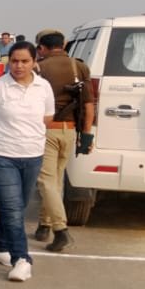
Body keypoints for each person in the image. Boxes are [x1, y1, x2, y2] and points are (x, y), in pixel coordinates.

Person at [0, 41, 56, 282]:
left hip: (32, 156)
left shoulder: (43, 87)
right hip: (0, 157)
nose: (19, 66)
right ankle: (21, 259)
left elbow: (48, 118)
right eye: (15, 61)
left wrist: (28, 136)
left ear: (34, 62)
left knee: (18, 206)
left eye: (25, 61)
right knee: (11, 209)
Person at [32, 28, 96, 252]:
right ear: (64, 44)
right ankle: (44, 225)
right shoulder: (78, 66)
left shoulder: (38, 68)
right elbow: (89, 104)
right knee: (56, 180)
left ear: (42, 48)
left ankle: (61, 230)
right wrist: (86, 135)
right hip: (69, 131)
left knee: (46, 181)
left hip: (46, 131)